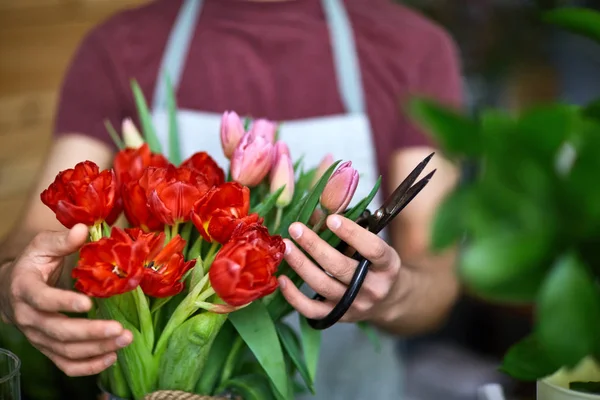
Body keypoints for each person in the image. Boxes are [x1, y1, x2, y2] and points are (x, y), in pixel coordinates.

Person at [0, 0, 463, 398]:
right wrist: (15, 286)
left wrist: (395, 294)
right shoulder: (118, 46)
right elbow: (32, 240)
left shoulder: (415, 50)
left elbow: (439, 278)